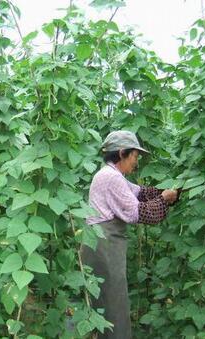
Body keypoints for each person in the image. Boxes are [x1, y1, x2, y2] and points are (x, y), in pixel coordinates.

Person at [82, 130, 178, 339]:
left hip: (101, 244)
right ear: (122, 153)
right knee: (112, 302)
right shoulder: (111, 177)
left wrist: (171, 193)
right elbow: (138, 212)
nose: (136, 162)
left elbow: (141, 192)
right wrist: (163, 199)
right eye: (135, 156)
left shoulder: (112, 175)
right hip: (103, 246)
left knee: (106, 300)